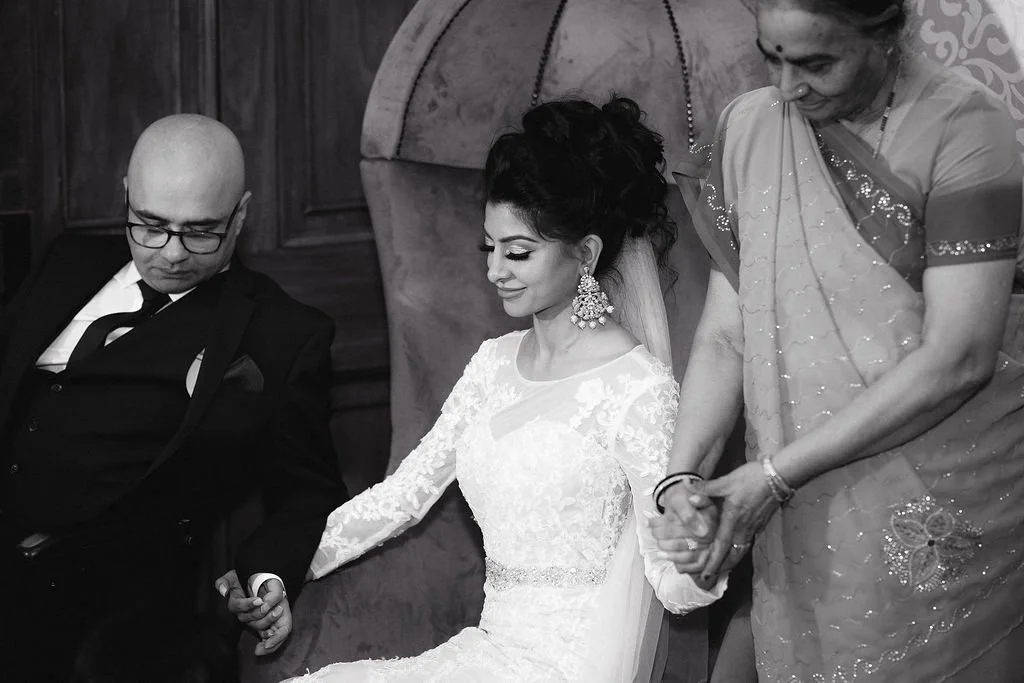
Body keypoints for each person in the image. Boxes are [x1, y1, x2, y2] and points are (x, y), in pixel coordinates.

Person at [250, 96, 726, 682]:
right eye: (490, 247)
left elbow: (671, 581)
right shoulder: (492, 364)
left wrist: (705, 553)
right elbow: (403, 496)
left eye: (518, 252)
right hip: (487, 653)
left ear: (587, 253)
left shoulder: (637, 389)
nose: (494, 269)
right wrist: (284, 567)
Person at [651, 1, 1024, 681]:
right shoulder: (748, 127)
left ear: (888, 34)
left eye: (818, 62)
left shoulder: (968, 128)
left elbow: (961, 356)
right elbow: (727, 336)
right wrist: (681, 475)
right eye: (772, 56)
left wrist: (774, 475)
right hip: (796, 508)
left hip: (937, 502)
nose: (789, 86)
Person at [0, 114, 347, 682]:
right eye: (150, 224)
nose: (173, 253)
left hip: (106, 614)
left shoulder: (282, 334)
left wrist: (267, 576)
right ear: (127, 199)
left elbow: (309, 489)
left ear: (241, 214)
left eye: (201, 230)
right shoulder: (66, 262)